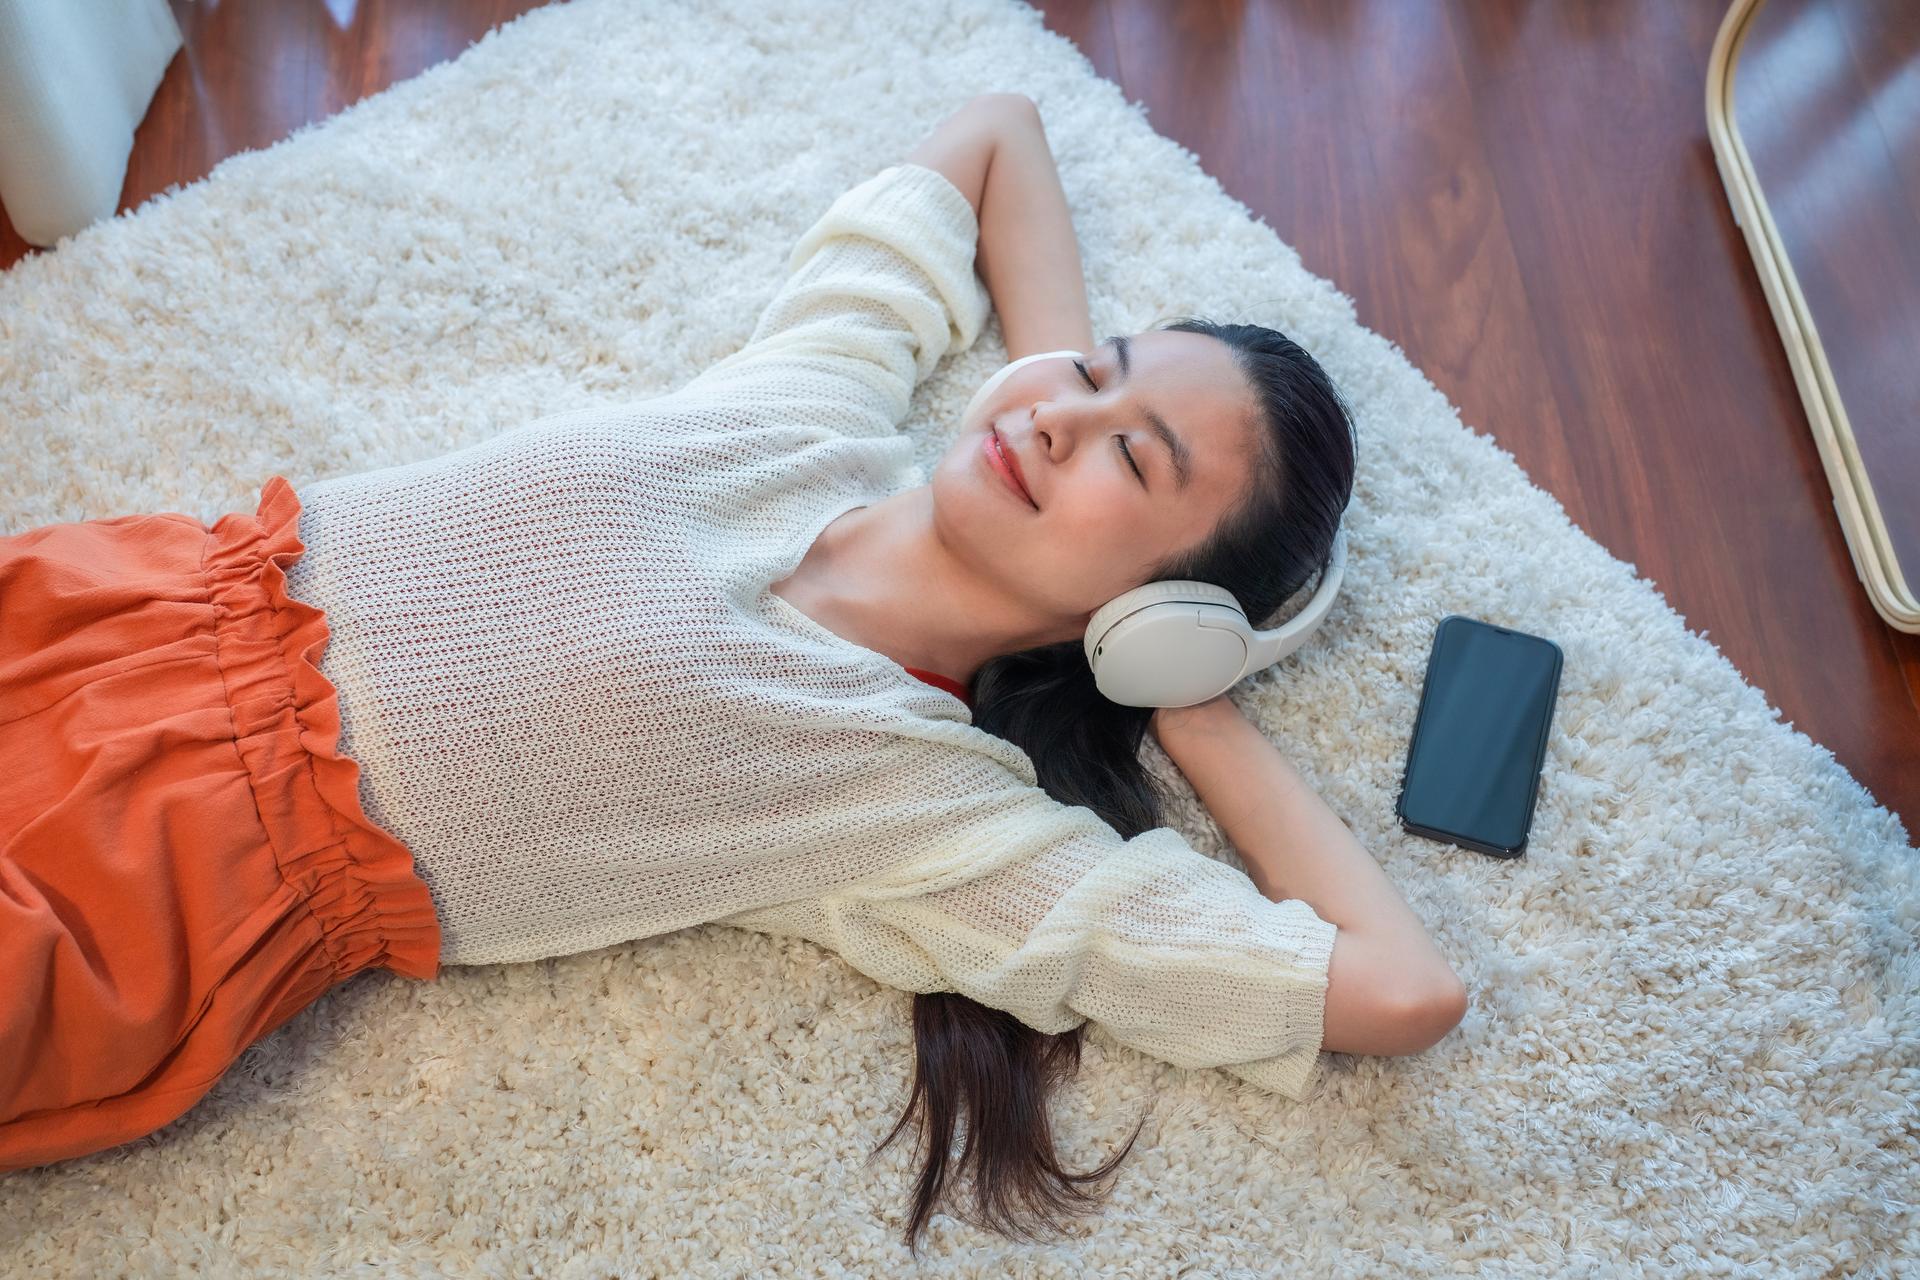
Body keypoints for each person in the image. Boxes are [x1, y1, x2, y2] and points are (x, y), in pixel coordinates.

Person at [0, 95, 1465, 1251]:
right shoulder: (812, 403)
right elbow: (997, 128)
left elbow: (1400, 993)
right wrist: (1073, 396)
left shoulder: (924, 808)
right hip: (108, 616)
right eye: (1094, 370)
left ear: (1170, 611)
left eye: (1136, 459)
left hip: (151, 885)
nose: (1061, 417)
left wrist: (1186, 699)